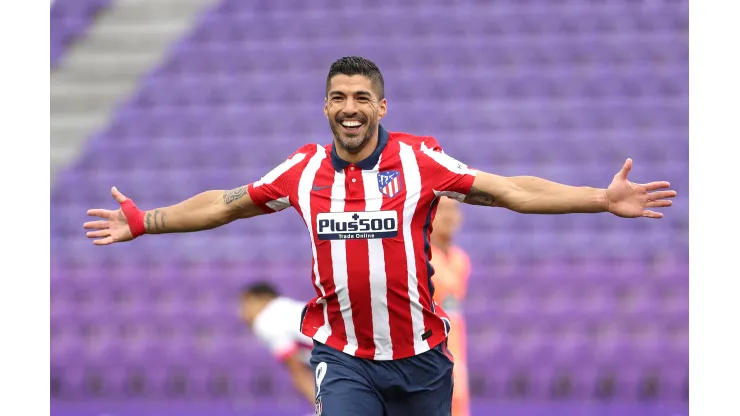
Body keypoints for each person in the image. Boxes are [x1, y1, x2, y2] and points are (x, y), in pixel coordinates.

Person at [83, 56, 676, 416]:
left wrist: (601, 198)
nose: (350, 107)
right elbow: (226, 204)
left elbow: (510, 190)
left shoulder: (421, 162)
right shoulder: (302, 170)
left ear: (380, 106)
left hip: (422, 359)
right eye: (339, 97)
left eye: (361, 97)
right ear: (325, 108)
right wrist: (147, 221)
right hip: (343, 357)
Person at [239, 282, 315, 404]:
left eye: (245, 303)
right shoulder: (290, 307)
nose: (241, 313)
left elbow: (300, 375)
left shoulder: (265, 321)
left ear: (261, 299)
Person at [429, 197, 471, 416]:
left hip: (456, 351)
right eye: (442, 210)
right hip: (429, 354)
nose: (449, 216)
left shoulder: (460, 260)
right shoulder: (420, 260)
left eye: (453, 210)